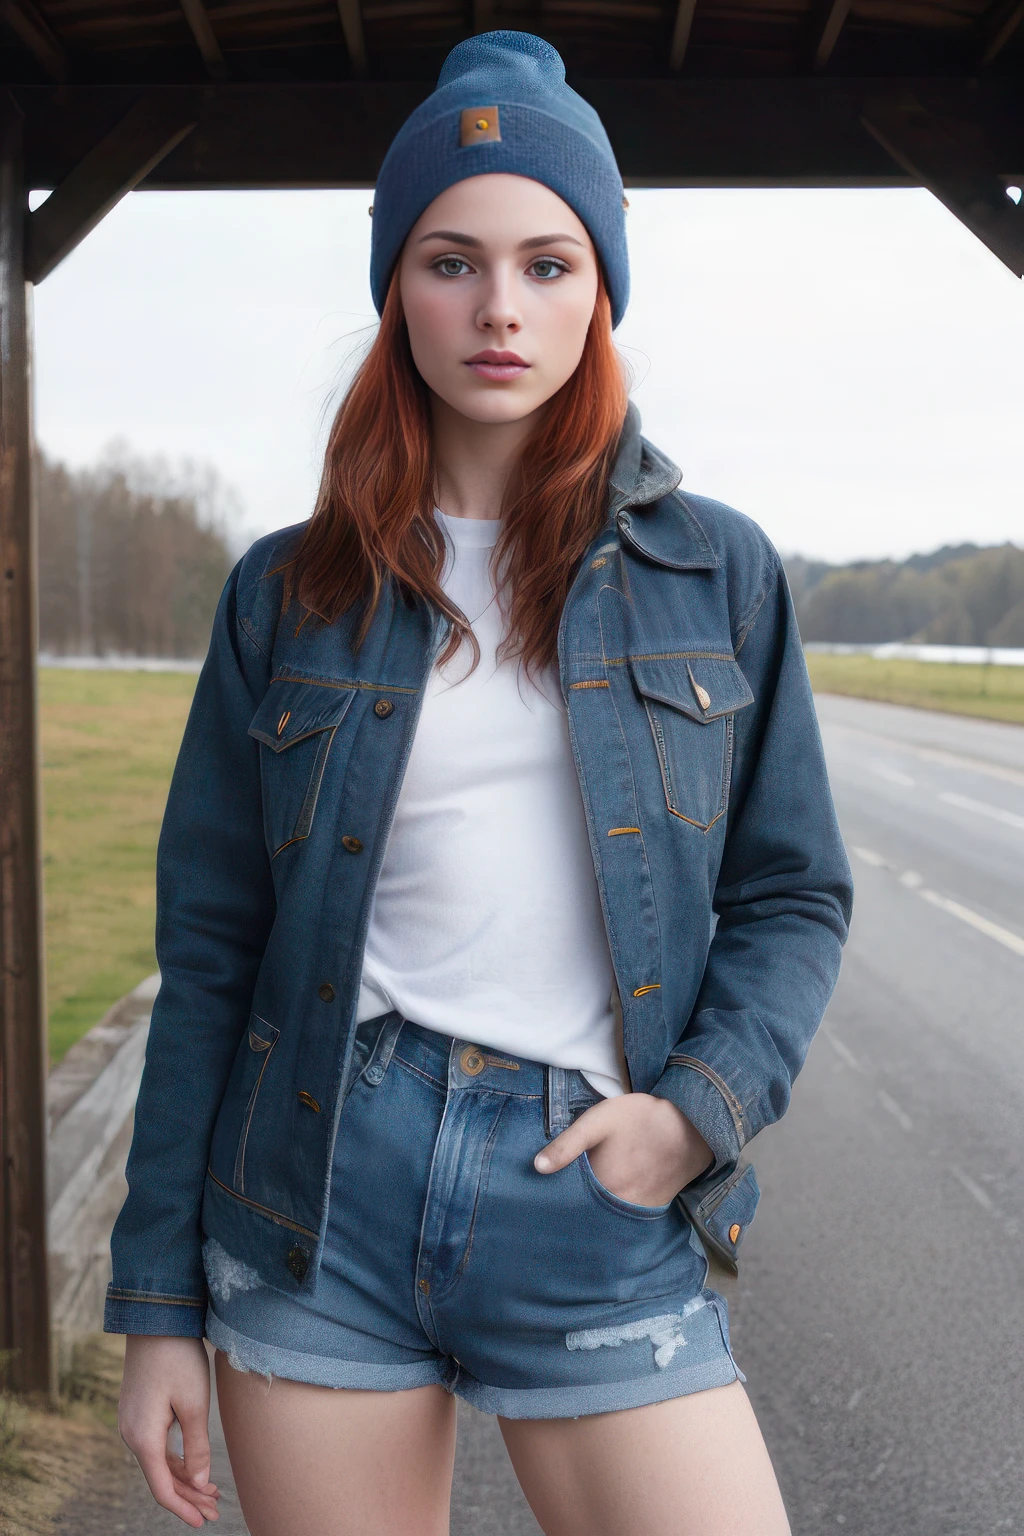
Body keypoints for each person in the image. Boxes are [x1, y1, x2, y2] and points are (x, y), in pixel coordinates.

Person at [107, 31, 852, 1536]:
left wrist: (693, 1115)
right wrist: (157, 1305)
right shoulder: (288, 594)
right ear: (396, 289)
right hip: (320, 1194)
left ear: (601, 289)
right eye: (451, 261)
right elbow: (211, 959)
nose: (500, 309)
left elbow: (793, 893)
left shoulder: (718, 573)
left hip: (591, 1184)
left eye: (548, 263)